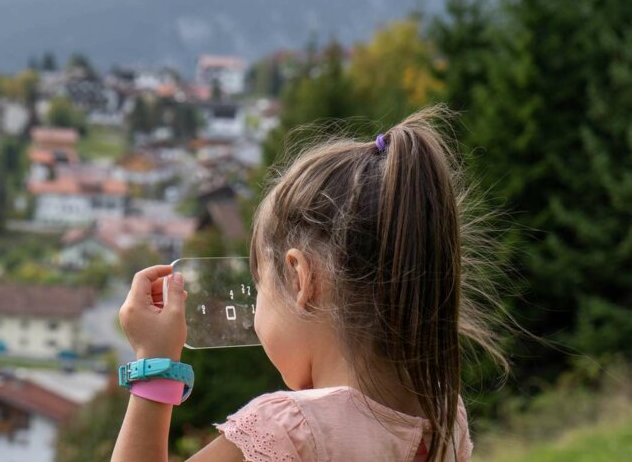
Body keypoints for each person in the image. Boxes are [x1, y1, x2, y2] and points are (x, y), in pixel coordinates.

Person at [112, 106, 508, 461]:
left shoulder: (287, 430)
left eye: (260, 284)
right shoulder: (443, 416)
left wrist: (155, 367)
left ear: (301, 279)